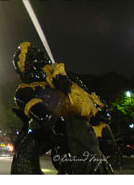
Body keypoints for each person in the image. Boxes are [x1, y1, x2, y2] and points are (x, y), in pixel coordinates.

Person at [11, 42, 111, 174]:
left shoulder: (65, 82)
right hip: (70, 157)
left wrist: (70, 85)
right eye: (34, 55)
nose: (42, 57)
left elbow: (104, 114)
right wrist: (61, 92)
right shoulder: (26, 91)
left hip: (93, 155)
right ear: (27, 65)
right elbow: (47, 119)